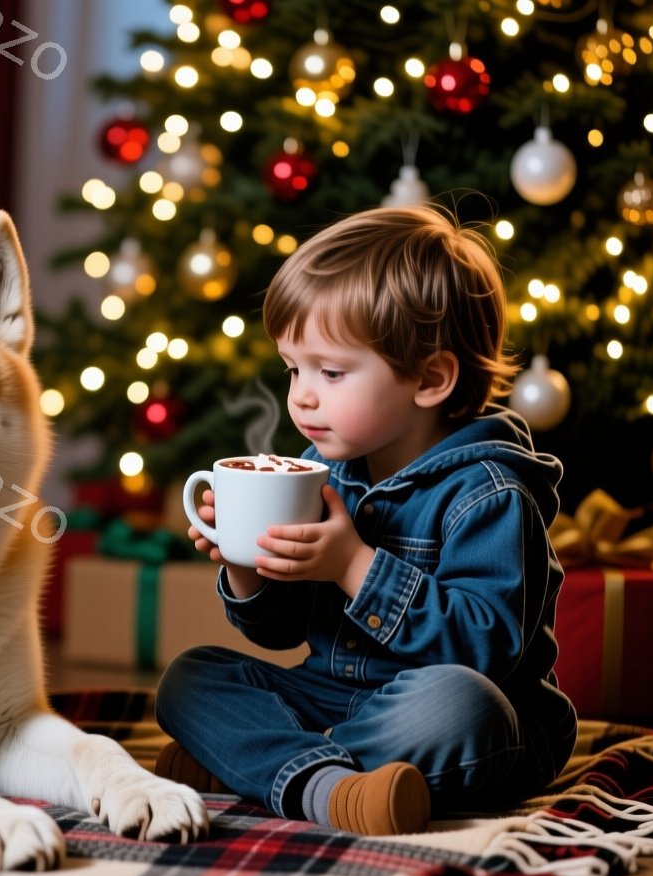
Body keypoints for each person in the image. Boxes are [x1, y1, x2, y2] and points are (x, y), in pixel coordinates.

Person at [154, 206, 578, 836]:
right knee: (192, 678)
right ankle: (332, 785)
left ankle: (271, 765)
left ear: (430, 379)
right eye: (293, 368)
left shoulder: (488, 494)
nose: (301, 394)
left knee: (463, 708)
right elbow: (278, 635)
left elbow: (481, 651)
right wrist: (249, 569)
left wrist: (354, 564)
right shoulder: (323, 469)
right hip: (329, 696)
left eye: (330, 372)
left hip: (449, 715)